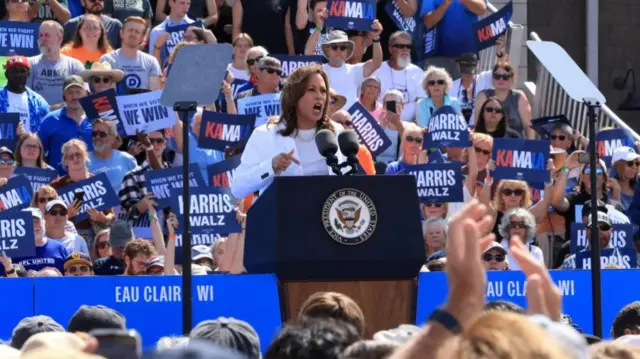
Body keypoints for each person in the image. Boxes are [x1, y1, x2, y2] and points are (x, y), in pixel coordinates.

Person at [231, 64, 345, 199]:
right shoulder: (265, 135)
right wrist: (271, 166)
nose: (319, 96)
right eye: (312, 89)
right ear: (295, 97)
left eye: (323, 91)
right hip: (283, 216)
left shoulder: (336, 132)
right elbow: (238, 188)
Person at [37, 75, 92, 173]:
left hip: (92, 181)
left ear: (86, 94)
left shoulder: (96, 119)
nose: (74, 96)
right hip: (59, 183)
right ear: (63, 95)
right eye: (70, 92)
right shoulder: (50, 120)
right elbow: (38, 151)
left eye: (78, 92)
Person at [318, 28, 383, 110]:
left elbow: (376, 62)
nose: (338, 50)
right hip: (327, 119)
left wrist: (376, 38)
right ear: (327, 50)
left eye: (342, 48)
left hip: (349, 121)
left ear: (347, 51)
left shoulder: (354, 70)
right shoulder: (320, 70)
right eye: (334, 47)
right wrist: (318, 27)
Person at [373, 31, 426, 122]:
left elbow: (423, 102)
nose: (405, 50)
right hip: (383, 124)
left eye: (408, 46)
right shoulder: (377, 70)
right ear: (390, 49)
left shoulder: (417, 72)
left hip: (410, 126)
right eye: (400, 46)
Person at [28, 21, 85, 105]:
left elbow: (83, 95)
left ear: (59, 38)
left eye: (47, 35)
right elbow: (25, 95)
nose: (43, 39)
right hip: (38, 114)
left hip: (65, 115)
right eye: (41, 35)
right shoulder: (30, 63)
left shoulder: (74, 65)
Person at [100, 16, 162, 91]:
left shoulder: (152, 61)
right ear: (121, 33)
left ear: (143, 38)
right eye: (130, 30)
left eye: (137, 32)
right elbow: (107, 92)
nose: (133, 34)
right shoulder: (107, 59)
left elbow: (153, 93)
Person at [0, 56, 50, 133]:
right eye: (14, 71)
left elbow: (45, 132)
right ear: (6, 74)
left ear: (28, 74)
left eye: (22, 71)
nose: (19, 74)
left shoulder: (38, 103)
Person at [87, 118, 137, 194]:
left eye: (102, 134)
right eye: (94, 134)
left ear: (113, 137)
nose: (97, 137)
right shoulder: (83, 162)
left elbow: (140, 184)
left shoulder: (127, 159)